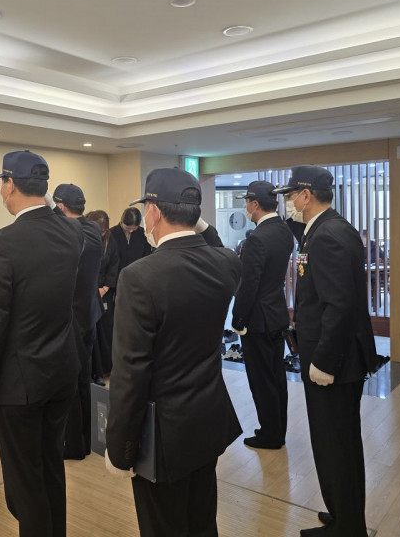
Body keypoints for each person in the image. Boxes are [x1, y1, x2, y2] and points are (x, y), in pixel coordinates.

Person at [105, 168, 242, 537]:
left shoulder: (139, 276)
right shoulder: (226, 264)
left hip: (163, 434)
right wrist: (196, 219)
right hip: (208, 418)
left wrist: (120, 448)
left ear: (152, 211)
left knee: (163, 526)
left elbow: (130, 372)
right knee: (202, 521)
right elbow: (215, 243)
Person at [0, 150, 83, 537]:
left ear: (9, 185)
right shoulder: (72, 233)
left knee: (25, 481)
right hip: (61, 370)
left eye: (2, 184)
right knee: (50, 464)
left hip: (19, 383)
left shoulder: (2, 244)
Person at [273, 165, 378, 537]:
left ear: (306, 195)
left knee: (337, 445)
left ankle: (348, 528)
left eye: (290, 196)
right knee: (333, 443)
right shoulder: (322, 229)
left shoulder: (328, 235)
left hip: (333, 363)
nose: (287, 203)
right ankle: (342, 515)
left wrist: (323, 361)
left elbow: (339, 304)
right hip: (331, 357)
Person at [232, 180, 295, 449]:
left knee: (261, 381)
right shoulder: (283, 231)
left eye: (247, 202)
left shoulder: (257, 238)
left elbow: (249, 284)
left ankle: (269, 434)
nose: (246, 207)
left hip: (257, 320)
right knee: (277, 377)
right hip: (277, 314)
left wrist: (238, 318)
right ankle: (277, 430)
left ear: (255, 204)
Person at [52, 183, 103, 460]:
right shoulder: (93, 229)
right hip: (89, 316)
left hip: (70, 319)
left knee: (69, 384)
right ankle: (87, 438)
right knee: (83, 380)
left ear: (60, 207)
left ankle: (73, 445)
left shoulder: (68, 233)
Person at [86, 210, 119, 377]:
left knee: (106, 330)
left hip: (104, 291)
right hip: (86, 293)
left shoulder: (110, 241)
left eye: (104, 231)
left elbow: (114, 266)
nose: (101, 234)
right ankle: (92, 371)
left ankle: (106, 368)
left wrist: (105, 288)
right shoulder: (81, 236)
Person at [110, 207, 152, 273]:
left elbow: (146, 256)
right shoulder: (111, 234)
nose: (131, 231)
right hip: (117, 275)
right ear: (122, 220)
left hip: (138, 274)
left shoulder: (143, 234)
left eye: (134, 228)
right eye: (127, 228)